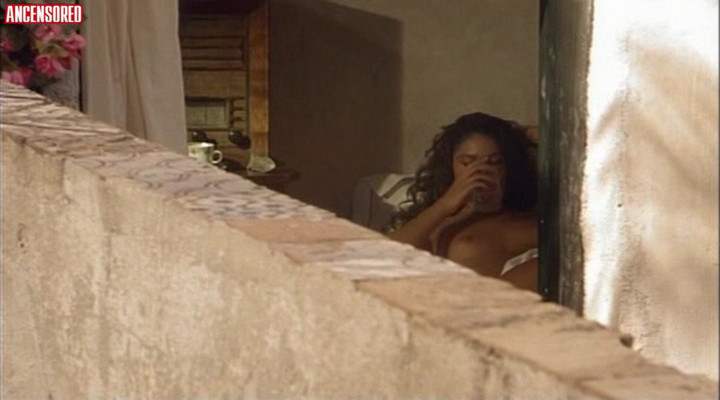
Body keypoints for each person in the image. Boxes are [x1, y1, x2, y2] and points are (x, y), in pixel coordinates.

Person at [388, 112, 538, 291]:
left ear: (509, 167)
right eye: (467, 162)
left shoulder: (518, 222)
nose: (481, 171)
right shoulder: (433, 217)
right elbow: (385, 256)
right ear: (450, 166)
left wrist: (522, 135)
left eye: (495, 162)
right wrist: (445, 204)